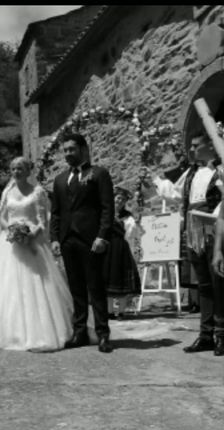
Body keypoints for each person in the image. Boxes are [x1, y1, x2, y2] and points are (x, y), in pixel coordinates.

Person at [0, 157, 73, 350]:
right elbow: (3, 219)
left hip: (33, 242)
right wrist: (14, 231)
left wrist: (30, 234)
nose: (16, 172)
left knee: (34, 287)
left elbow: (43, 221)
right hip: (9, 244)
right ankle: (4, 331)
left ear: (28, 171)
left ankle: (38, 332)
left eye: (20, 169)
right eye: (13, 169)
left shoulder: (38, 192)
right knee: (6, 287)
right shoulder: (7, 192)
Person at [155, 132, 224, 354]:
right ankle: (205, 334)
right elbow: (175, 194)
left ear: (211, 148)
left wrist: (211, 216)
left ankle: (221, 334)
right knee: (203, 284)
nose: (191, 150)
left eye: (196, 146)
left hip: (214, 226)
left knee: (218, 282)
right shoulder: (191, 171)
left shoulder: (220, 170)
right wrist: (153, 182)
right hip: (194, 228)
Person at [51, 132, 115, 353]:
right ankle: (79, 332)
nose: (68, 153)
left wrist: (102, 235)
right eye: (65, 150)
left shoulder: (99, 174)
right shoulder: (59, 180)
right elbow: (56, 213)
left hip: (91, 240)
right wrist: (55, 239)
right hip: (68, 240)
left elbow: (108, 208)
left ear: (82, 149)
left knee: (96, 288)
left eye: (72, 149)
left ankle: (103, 334)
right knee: (76, 288)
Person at [103, 187, 142, 318]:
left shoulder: (127, 216)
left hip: (121, 248)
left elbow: (130, 232)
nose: (119, 201)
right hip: (107, 248)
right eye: (118, 198)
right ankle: (108, 311)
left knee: (121, 279)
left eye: (122, 199)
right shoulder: (105, 212)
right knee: (108, 279)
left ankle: (121, 310)